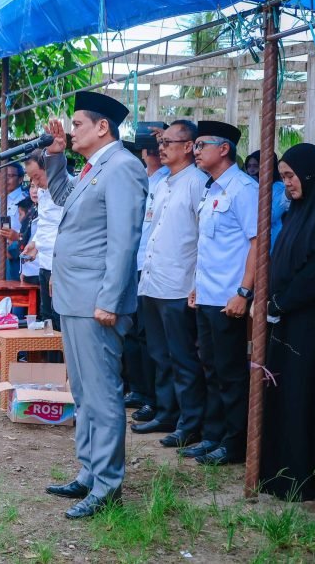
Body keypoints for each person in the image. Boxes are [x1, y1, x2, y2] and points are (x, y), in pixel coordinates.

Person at [41, 92, 147, 520]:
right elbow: (63, 197)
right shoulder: (93, 167)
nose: (71, 131)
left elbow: (125, 240)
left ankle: (107, 485)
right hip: (74, 294)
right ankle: (89, 470)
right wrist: (55, 155)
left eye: (77, 125)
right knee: (83, 391)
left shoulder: (122, 167)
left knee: (103, 395)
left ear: (102, 127)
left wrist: (110, 299)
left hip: (96, 301)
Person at [261, 143, 315, 501]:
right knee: (282, 392)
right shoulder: (299, 211)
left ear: (309, 174)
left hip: (313, 322)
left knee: (303, 394)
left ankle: (305, 476)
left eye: (290, 177)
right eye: (283, 178)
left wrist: (285, 300)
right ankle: (280, 472)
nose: (287, 184)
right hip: (287, 317)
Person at [133, 120, 207, 451]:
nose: (161, 147)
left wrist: (195, 283)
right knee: (159, 354)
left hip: (179, 284)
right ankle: (166, 412)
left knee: (182, 359)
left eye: (169, 142)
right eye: (160, 142)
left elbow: (203, 238)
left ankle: (190, 423)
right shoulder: (162, 183)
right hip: (152, 280)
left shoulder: (197, 183)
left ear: (189, 146)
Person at [188, 120, 257, 467]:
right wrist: (198, 286)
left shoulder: (243, 189)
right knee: (211, 369)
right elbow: (210, 246)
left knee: (230, 373)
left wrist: (244, 292)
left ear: (224, 148)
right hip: (207, 296)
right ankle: (212, 435)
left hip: (229, 299)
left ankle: (235, 442)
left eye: (201, 145)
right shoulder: (211, 189)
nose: (195, 152)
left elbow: (257, 245)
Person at [122, 139, 169, 420]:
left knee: (149, 338)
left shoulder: (166, 181)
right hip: (136, 263)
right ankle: (138, 388)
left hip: (153, 269)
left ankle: (152, 397)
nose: (156, 153)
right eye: (153, 149)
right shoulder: (145, 180)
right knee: (132, 332)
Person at [22, 151, 63, 330]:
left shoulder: (64, 190)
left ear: (49, 168)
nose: (36, 184)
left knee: (59, 320)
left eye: (37, 176)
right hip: (44, 264)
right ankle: (49, 359)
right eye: (31, 179)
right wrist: (35, 244)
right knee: (46, 318)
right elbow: (47, 224)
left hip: (60, 267)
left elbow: (67, 230)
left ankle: (64, 359)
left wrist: (58, 270)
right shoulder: (43, 191)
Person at [245, 150, 289, 249]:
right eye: (249, 166)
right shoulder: (246, 187)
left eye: (256, 166)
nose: (251, 170)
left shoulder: (278, 187)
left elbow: (271, 216)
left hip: (273, 239)